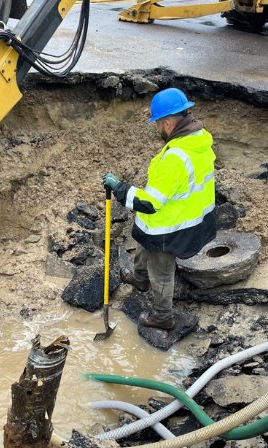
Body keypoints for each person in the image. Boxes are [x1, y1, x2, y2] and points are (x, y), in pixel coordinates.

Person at [102, 88, 216, 331]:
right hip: (188, 216)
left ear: (166, 123)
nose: (156, 129)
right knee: (144, 243)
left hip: (171, 226)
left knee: (161, 271)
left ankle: (162, 316)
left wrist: (120, 188)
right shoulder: (198, 139)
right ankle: (140, 280)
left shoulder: (176, 157)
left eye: (157, 124)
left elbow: (149, 203)